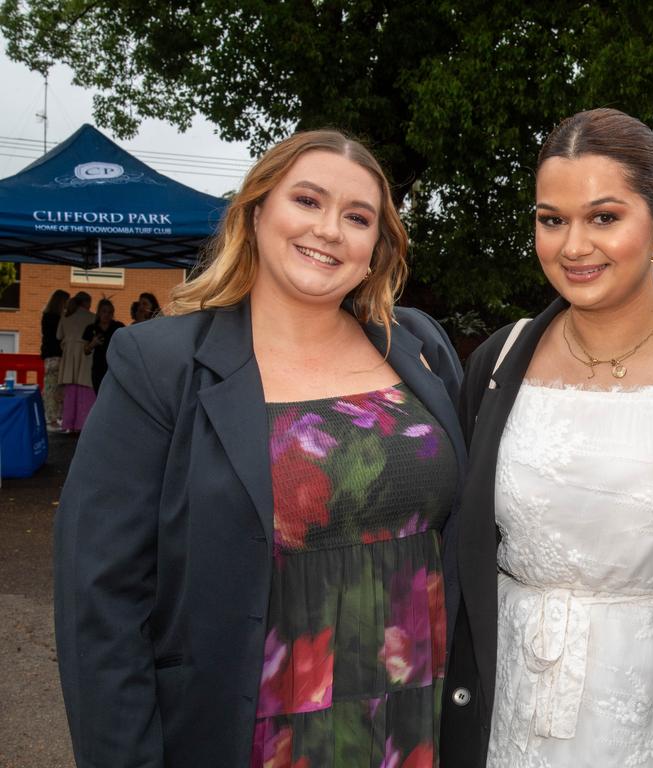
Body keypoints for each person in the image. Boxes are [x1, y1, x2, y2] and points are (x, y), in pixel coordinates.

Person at [54, 129, 466, 768]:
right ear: (256, 212)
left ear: (376, 248)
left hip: (416, 718)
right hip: (253, 727)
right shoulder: (161, 364)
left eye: (357, 217)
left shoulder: (417, 346)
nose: (330, 229)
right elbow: (101, 604)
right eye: (307, 201)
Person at [440, 108, 653, 767]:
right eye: (552, 220)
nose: (574, 246)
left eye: (604, 217)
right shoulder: (496, 361)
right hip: (507, 705)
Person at [56, 291, 94, 433]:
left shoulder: (66, 316)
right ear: (87, 302)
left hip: (68, 355)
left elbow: (58, 335)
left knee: (70, 391)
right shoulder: (92, 317)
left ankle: (68, 424)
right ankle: (82, 424)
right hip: (85, 354)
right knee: (84, 390)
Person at [40, 288, 70, 428]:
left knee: (49, 387)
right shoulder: (61, 318)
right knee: (59, 388)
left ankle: (50, 417)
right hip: (59, 356)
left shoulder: (46, 316)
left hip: (48, 356)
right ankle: (56, 417)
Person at [82, 298, 125, 391]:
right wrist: (93, 344)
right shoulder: (91, 328)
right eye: (104, 311)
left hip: (114, 368)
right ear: (99, 312)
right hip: (98, 368)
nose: (107, 315)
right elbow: (85, 350)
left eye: (110, 312)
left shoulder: (118, 327)